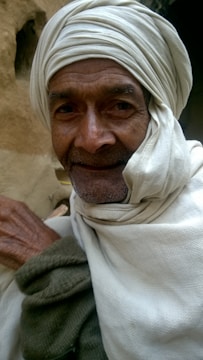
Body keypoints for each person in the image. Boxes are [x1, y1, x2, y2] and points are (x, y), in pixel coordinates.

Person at [1, 0, 203, 359]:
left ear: (161, 114)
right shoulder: (70, 227)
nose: (91, 139)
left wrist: (52, 268)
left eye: (120, 106)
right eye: (67, 110)